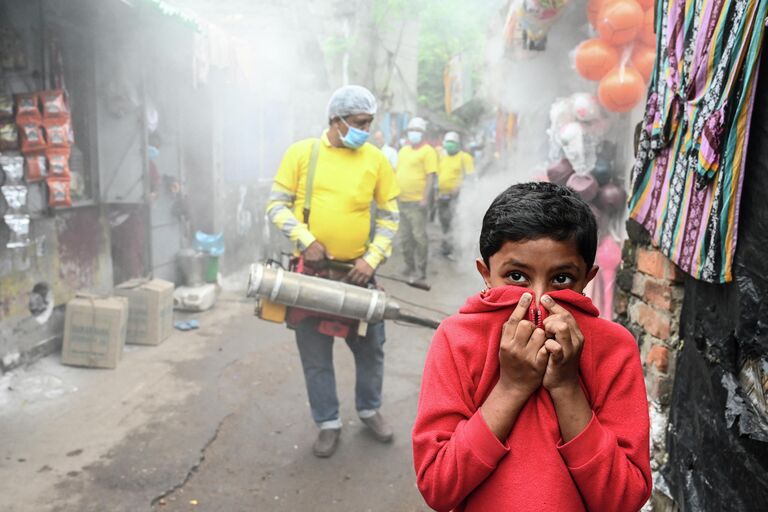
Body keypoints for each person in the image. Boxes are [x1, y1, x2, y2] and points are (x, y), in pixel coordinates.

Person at [412, 182, 651, 511]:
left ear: (587, 278)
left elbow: (624, 499)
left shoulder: (613, 348)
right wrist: (511, 387)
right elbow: (438, 487)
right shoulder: (457, 338)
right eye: (516, 277)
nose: (538, 300)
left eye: (562, 279)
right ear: (486, 272)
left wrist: (567, 387)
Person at [266, 85, 400, 458]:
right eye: (360, 122)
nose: (367, 131)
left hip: (358, 275)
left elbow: (390, 217)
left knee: (371, 347)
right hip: (310, 274)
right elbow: (276, 206)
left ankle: (369, 409)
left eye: (370, 123)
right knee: (315, 354)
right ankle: (327, 422)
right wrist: (304, 238)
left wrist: (372, 259)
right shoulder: (301, 153)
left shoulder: (375, 160)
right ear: (336, 121)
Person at [395, 117, 438, 285]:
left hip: (416, 203)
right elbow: (397, 172)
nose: (413, 134)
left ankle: (421, 271)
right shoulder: (403, 150)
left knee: (419, 237)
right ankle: (409, 266)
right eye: (411, 131)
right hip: (401, 201)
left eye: (417, 131)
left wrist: (425, 198)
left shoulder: (428, 151)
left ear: (423, 133)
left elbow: (430, 176)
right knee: (404, 237)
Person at [436, 131, 475, 260]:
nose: (449, 145)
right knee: (444, 222)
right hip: (442, 196)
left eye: (452, 143)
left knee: (456, 222)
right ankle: (447, 246)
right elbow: (438, 175)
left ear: (458, 144)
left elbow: (470, 177)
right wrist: (436, 192)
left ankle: (458, 251)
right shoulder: (442, 156)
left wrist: (459, 188)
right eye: (448, 142)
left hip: (458, 198)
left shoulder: (465, 157)